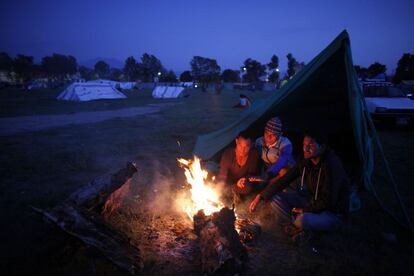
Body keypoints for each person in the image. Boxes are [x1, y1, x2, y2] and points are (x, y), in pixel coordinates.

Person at [249, 132, 350, 233]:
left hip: (332, 212)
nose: (305, 149)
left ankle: (297, 225)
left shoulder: (331, 165)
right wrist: (261, 196)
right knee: (274, 196)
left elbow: (329, 201)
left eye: (310, 145)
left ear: (322, 147)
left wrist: (306, 210)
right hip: (311, 201)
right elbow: (285, 179)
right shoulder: (306, 161)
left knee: (303, 220)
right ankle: (294, 225)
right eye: (304, 145)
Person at [217, 130, 260, 198]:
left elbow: (251, 174)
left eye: (246, 147)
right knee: (217, 182)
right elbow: (222, 175)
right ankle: (230, 193)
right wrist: (219, 190)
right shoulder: (228, 153)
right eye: (240, 145)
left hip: (241, 184)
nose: (242, 150)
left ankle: (233, 193)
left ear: (251, 145)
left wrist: (244, 179)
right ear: (236, 142)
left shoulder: (254, 154)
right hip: (229, 183)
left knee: (248, 187)